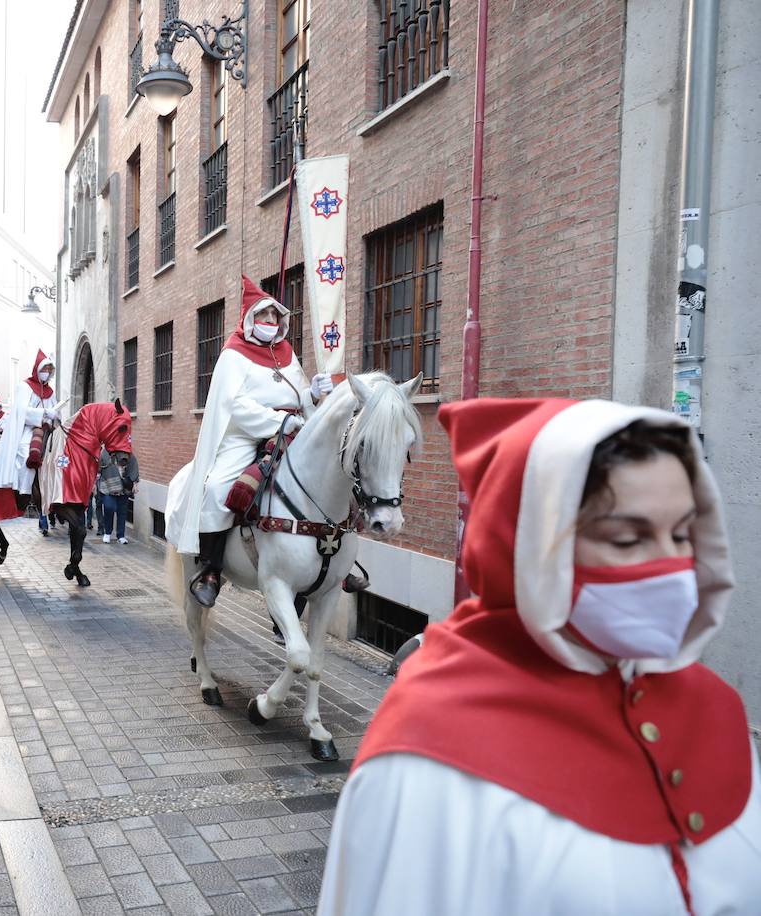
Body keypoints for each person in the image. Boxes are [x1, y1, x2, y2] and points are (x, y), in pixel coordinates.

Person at [318, 398, 761, 915]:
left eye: (683, 534)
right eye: (626, 538)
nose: (673, 567)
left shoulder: (715, 708)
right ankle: (211, 556)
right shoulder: (427, 766)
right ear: (528, 549)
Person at [166, 275, 333, 607]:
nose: (270, 322)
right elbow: (234, 405)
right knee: (216, 489)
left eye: (275, 316)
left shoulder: (286, 352)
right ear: (249, 320)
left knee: (327, 476)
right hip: (244, 435)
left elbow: (296, 395)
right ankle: (211, 569)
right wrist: (278, 420)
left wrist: (311, 394)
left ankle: (335, 562)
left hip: (292, 429)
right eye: (264, 316)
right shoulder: (234, 353)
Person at [0, 350, 59, 499]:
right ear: (38, 369)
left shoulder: (50, 391)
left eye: (50, 369)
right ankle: (25, 491)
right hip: (26, 429)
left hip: (47, 429)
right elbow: (21, 411)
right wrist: (44, 413)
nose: (48, 372)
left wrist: (55, 416)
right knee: (25, 453)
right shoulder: (25, 387)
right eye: (45, 369)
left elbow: (54, 411)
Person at [98, 446, 139, 544]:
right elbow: (98, 468)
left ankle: (121, 535)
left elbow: (134, 467)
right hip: (108, 487)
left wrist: (135, 483)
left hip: (123, 488)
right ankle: (107, 532)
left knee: (122, 511)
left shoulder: (129, 454)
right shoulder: (105, 452)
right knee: (109, 508)